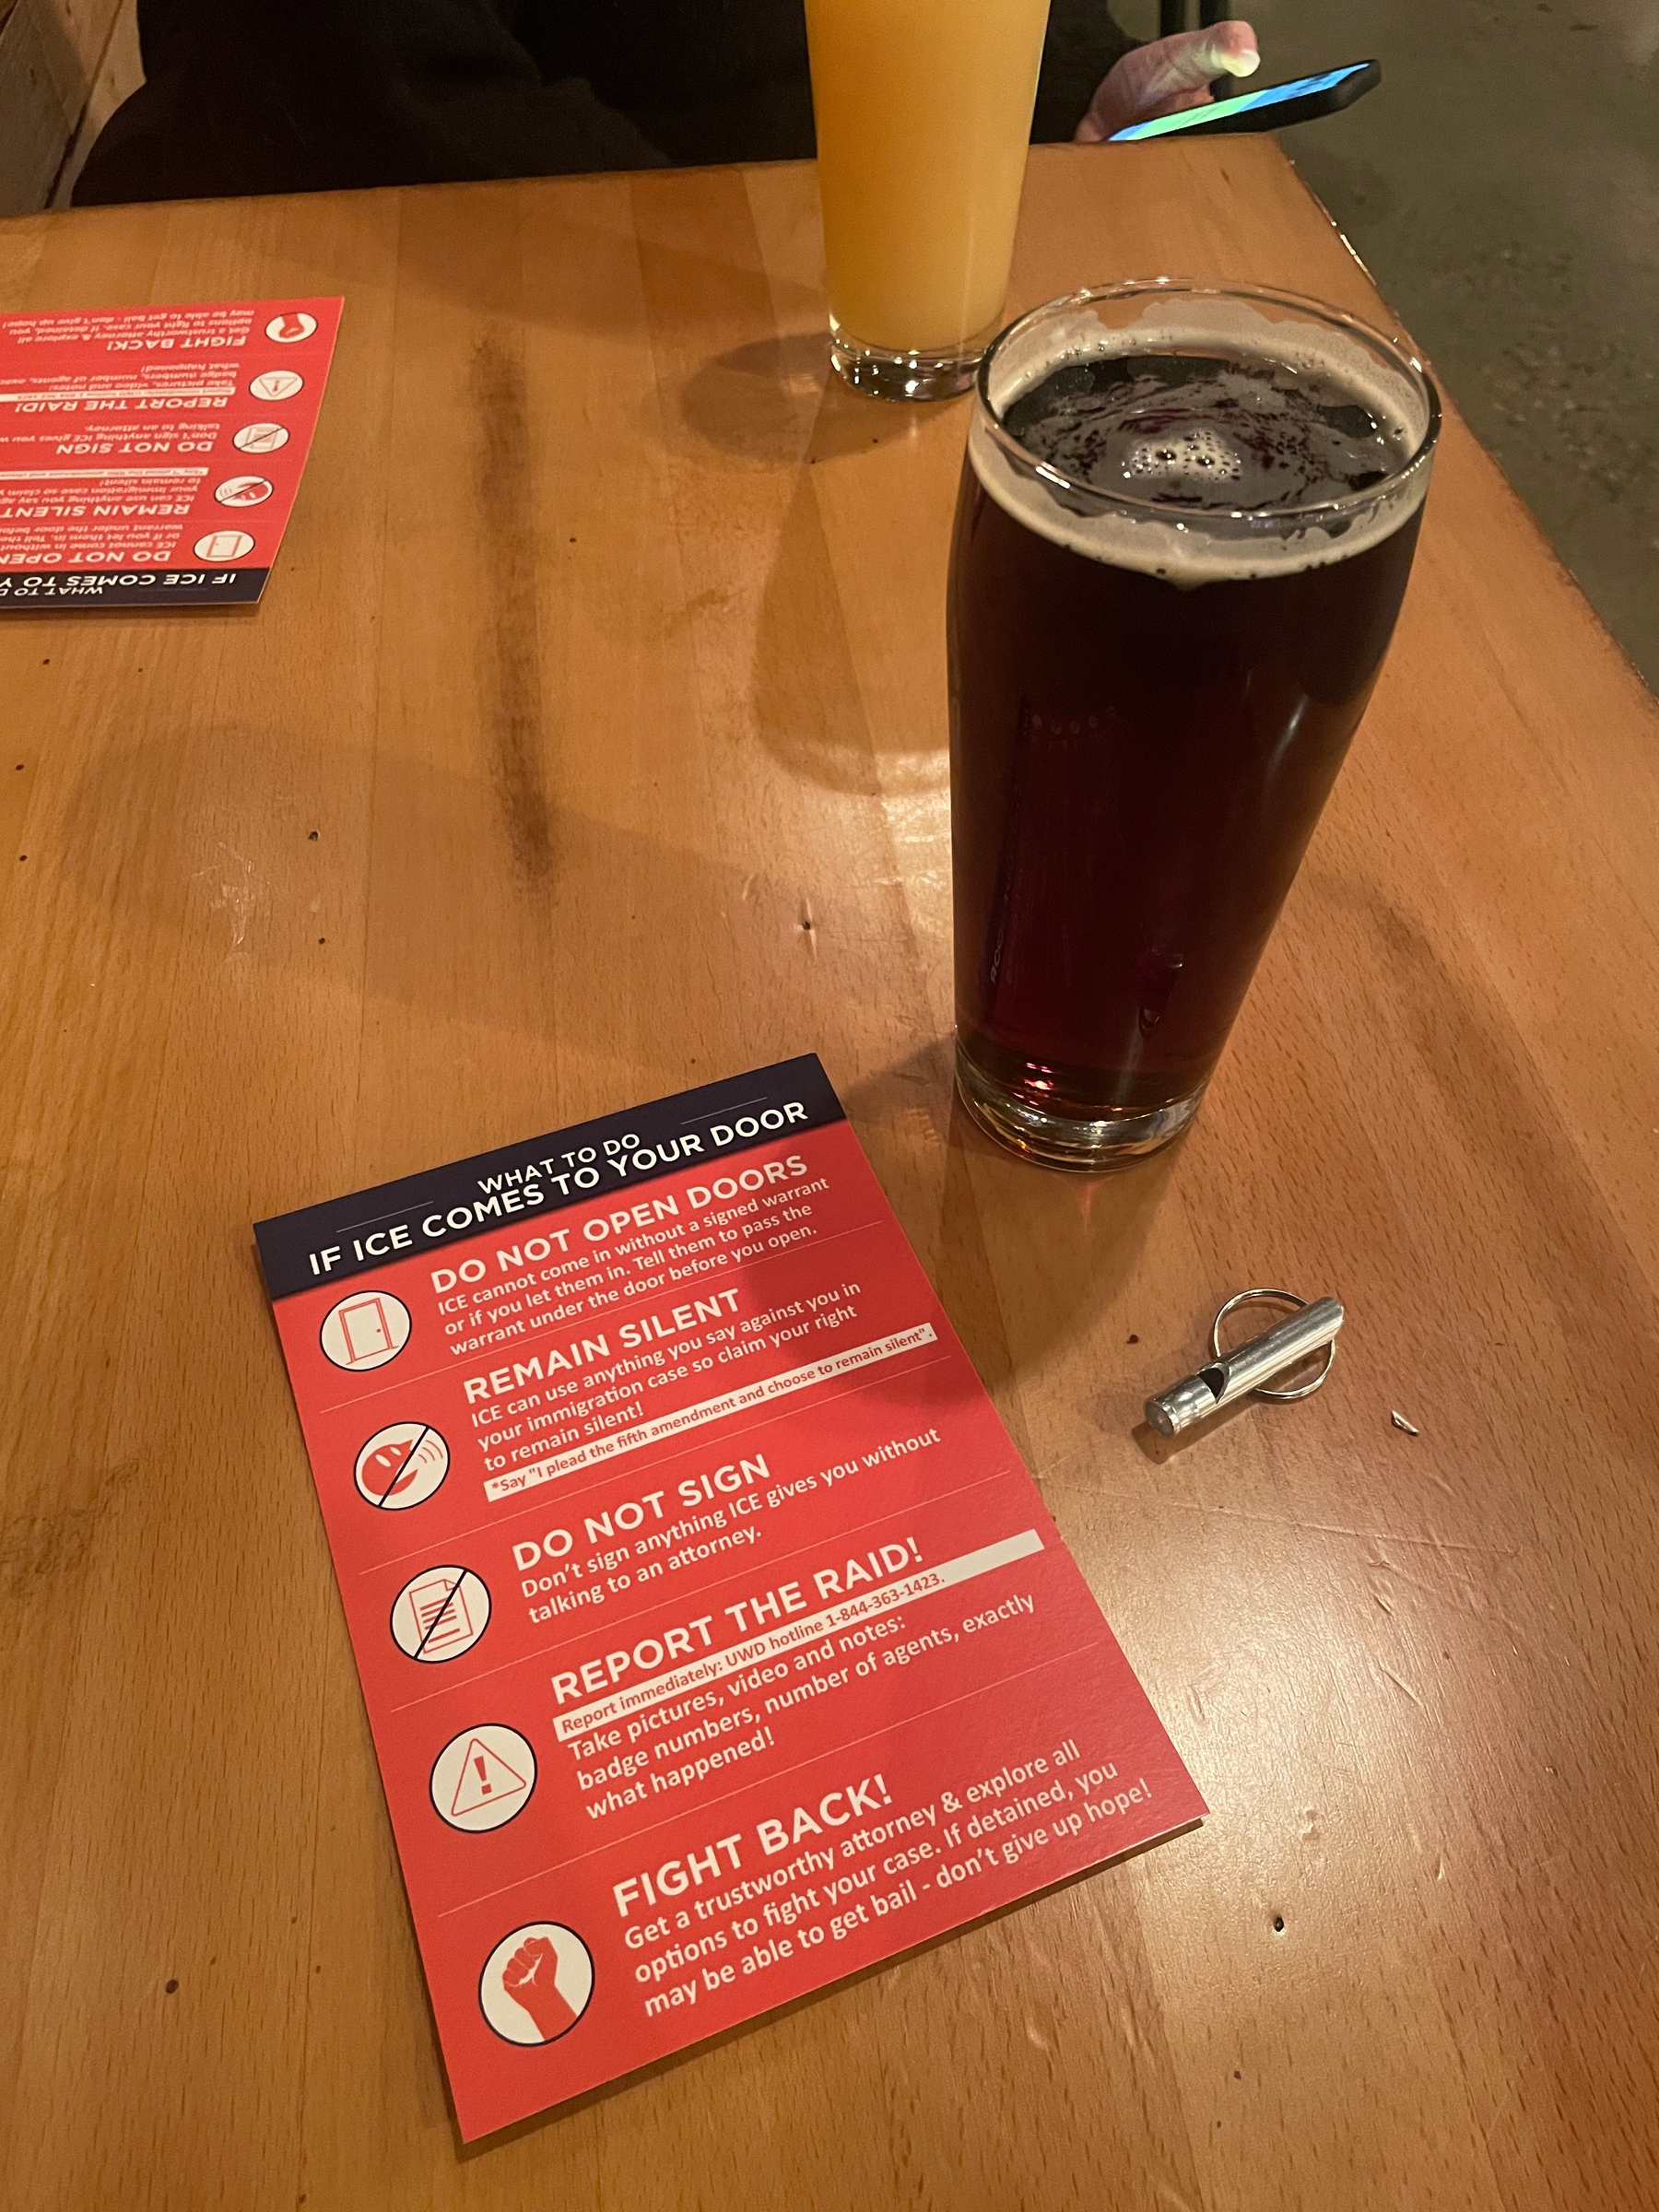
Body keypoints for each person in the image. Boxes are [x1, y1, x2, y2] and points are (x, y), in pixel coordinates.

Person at [74, 1, 1260, 206]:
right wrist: (781, 255)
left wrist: (1065, 97)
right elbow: (383, 104)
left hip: (837, 292)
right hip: (464, 281)